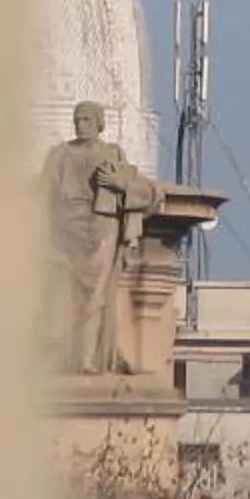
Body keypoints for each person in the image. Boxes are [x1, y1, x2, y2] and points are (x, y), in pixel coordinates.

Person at [38, 101, 160, 373]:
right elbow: (43, 195)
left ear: (99, 123)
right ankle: (61, 358)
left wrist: (121, 185)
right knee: (63, 297)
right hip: (66, 231)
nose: (81, 125)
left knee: (95, 297)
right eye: (78, 120)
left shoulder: (112, 154)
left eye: (88, 120)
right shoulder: (59, 155)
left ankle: (87, 360)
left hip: (102, 229)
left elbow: (151, 195)